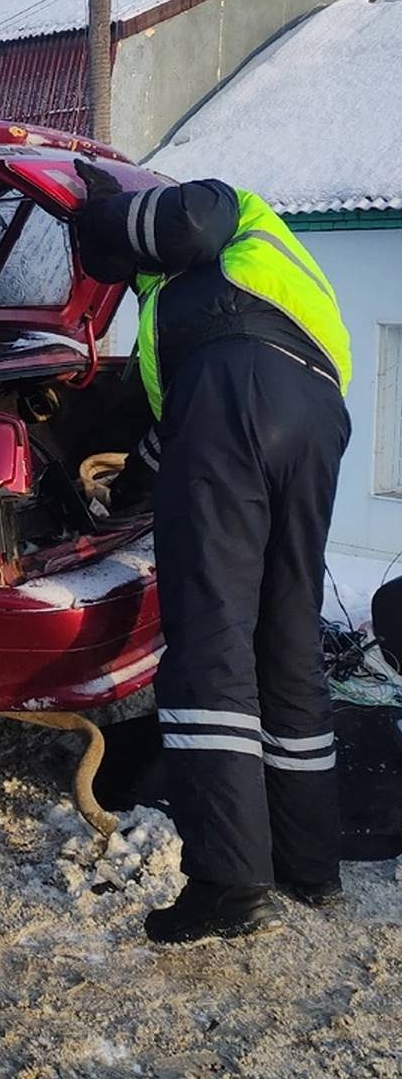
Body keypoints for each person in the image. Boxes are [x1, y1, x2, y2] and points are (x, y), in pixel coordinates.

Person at [72, 162, 352, 946]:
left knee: (208, 645)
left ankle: (228, 886)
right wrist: (125, 494)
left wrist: (97, 222)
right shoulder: (225, 293)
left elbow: (188, 220)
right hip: (313, 417)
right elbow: (184, 426)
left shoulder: (221, 209)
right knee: (285, 640)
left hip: (239, 406)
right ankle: (309, 866)